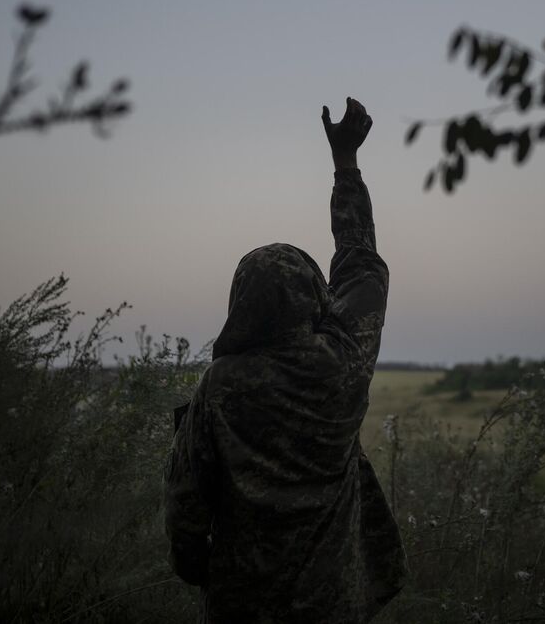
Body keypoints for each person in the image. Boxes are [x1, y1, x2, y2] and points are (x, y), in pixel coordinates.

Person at [164, 97, 406, 623]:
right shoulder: (345, 362)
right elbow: (361, 262)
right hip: (332, 604)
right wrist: (346, 166)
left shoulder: (220, 386)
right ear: (314, 298)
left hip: (240, 604)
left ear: (241, 303)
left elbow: (186, 500)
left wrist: (195, 566)